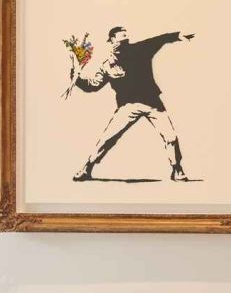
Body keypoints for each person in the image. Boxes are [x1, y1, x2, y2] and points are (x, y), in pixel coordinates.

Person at [73, 26, 194, 181]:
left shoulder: (140, 49)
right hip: (127, 106)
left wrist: (177, 35)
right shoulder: (107, 65)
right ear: (112, 40)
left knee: (170, 137)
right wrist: (76, 79)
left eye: (126, 37)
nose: (125, 38)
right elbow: (92, 85)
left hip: (152, 103)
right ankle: (86, 168)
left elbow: (159, 40)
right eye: (121, 36)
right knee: (107, 138)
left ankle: (177, 169)